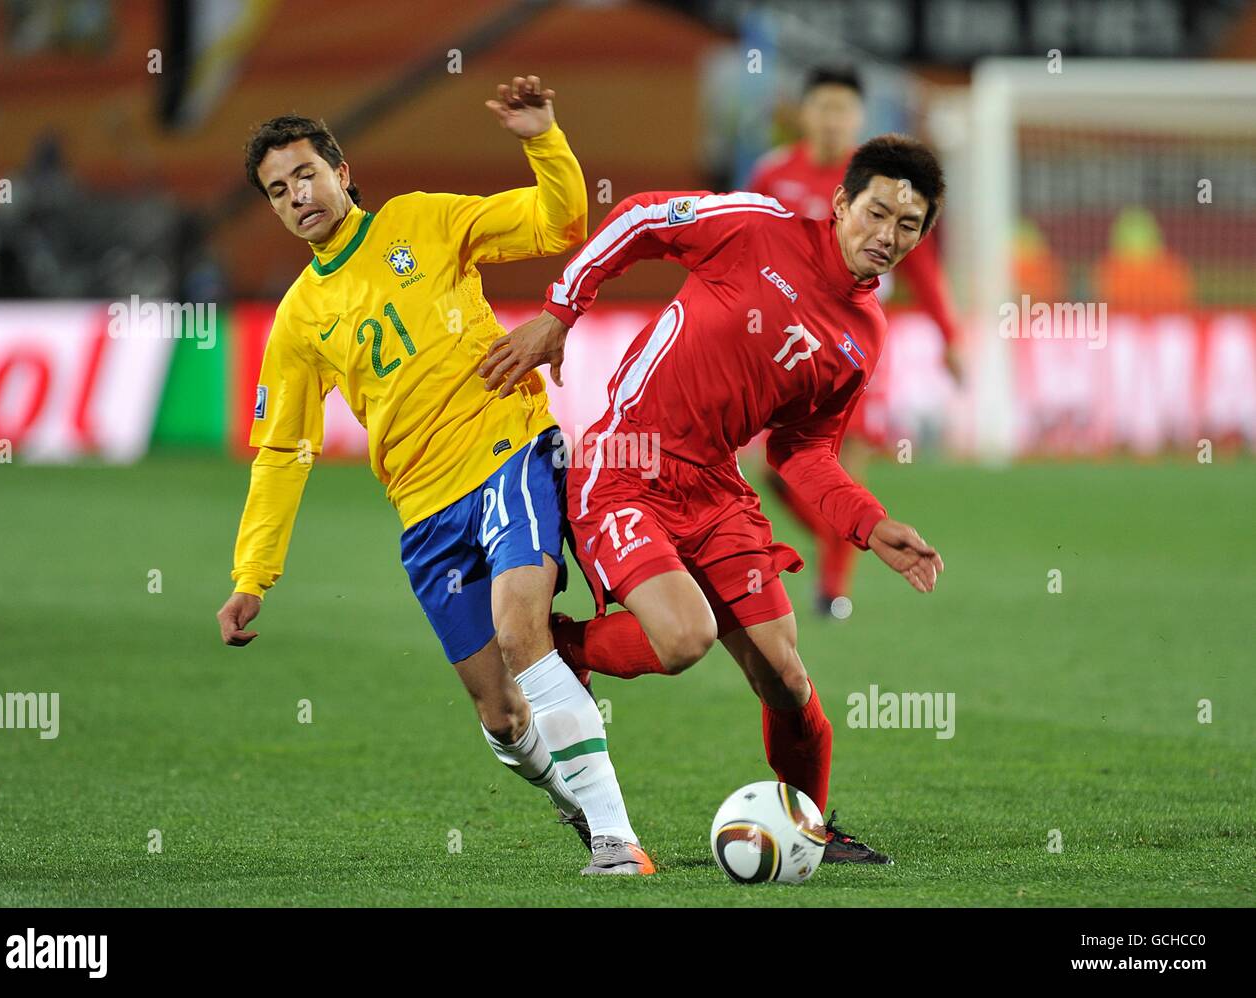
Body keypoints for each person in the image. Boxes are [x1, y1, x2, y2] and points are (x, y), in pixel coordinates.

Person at [215, 77, 653, 876]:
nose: (296, 196)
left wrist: (541, 140)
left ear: (343, 172)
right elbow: (282, 452)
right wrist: (254, 575)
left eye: (306, 173)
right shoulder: (298, 320)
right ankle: (582, 806)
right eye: (277, 190)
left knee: (523, 630)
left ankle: (619, 841)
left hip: (506, 451)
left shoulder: (423, 219)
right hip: (424, 513)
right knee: (500, 714)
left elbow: (558, 221)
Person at [481, 135, 949, 864]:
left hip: (716, 489)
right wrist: (561, 311)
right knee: (684, 638)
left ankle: (810, 829)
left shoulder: (864, 335)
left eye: (908, 225)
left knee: (787, 679)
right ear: (840, 205)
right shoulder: (758, 224)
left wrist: (869, 522)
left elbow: (803, 452)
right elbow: (639, 219)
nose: (887, 236)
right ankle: (558, 647)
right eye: (876, 213)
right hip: (625, 465)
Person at [746, 66, 962, 616]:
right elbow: (744, 241)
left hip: (852, 339)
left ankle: (834, 589)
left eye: (844, 109)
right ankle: (834, 537)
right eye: (824, 107)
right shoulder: (774, 174)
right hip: (785, 341)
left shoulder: (883, 182)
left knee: (848, 458)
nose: (834, 119)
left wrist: (950, 334)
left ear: (859, 118)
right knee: (776, 467)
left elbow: (923, 265)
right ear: (805, 112)